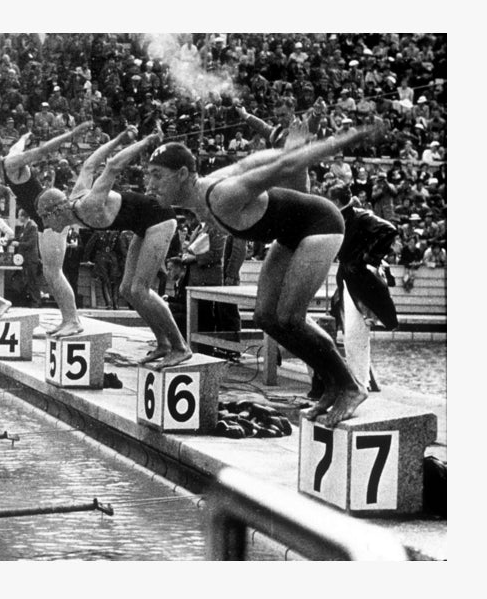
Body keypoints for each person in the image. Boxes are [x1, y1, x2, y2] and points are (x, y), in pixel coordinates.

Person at [142, 129, 373, 422]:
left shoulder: (221, 195)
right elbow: (257, 160)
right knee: (265, 317)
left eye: (157, 175)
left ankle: (351, 386)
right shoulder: (207, 193)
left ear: (183, 174)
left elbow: (283, 168)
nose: (150, 185)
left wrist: (350, 137)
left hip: (321, 224)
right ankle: (332, 384)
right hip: (289, 233)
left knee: (290, 317)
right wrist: (288, 150)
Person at [46, 128, 186, 365]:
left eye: (45, 219)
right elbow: (90, 163)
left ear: (56, 211)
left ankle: (180, 346)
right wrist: (120, 137)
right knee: (126, 290)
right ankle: (162, 343)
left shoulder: (88, 204)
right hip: (142, 225)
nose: (46, 226)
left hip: (160, 218)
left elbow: (112, 166)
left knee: (140, 289)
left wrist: (147, 140)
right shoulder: (75, 196)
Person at [0, 125, 91, 337]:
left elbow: (42, 151)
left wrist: (72, 135)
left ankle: (73, 320)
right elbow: (18, 146)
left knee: (53, 272)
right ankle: (68, 319)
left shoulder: (10, 164)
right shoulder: (8, 160)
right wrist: (25, 136)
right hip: (44, 219)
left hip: (53, 217)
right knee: (50, 272)